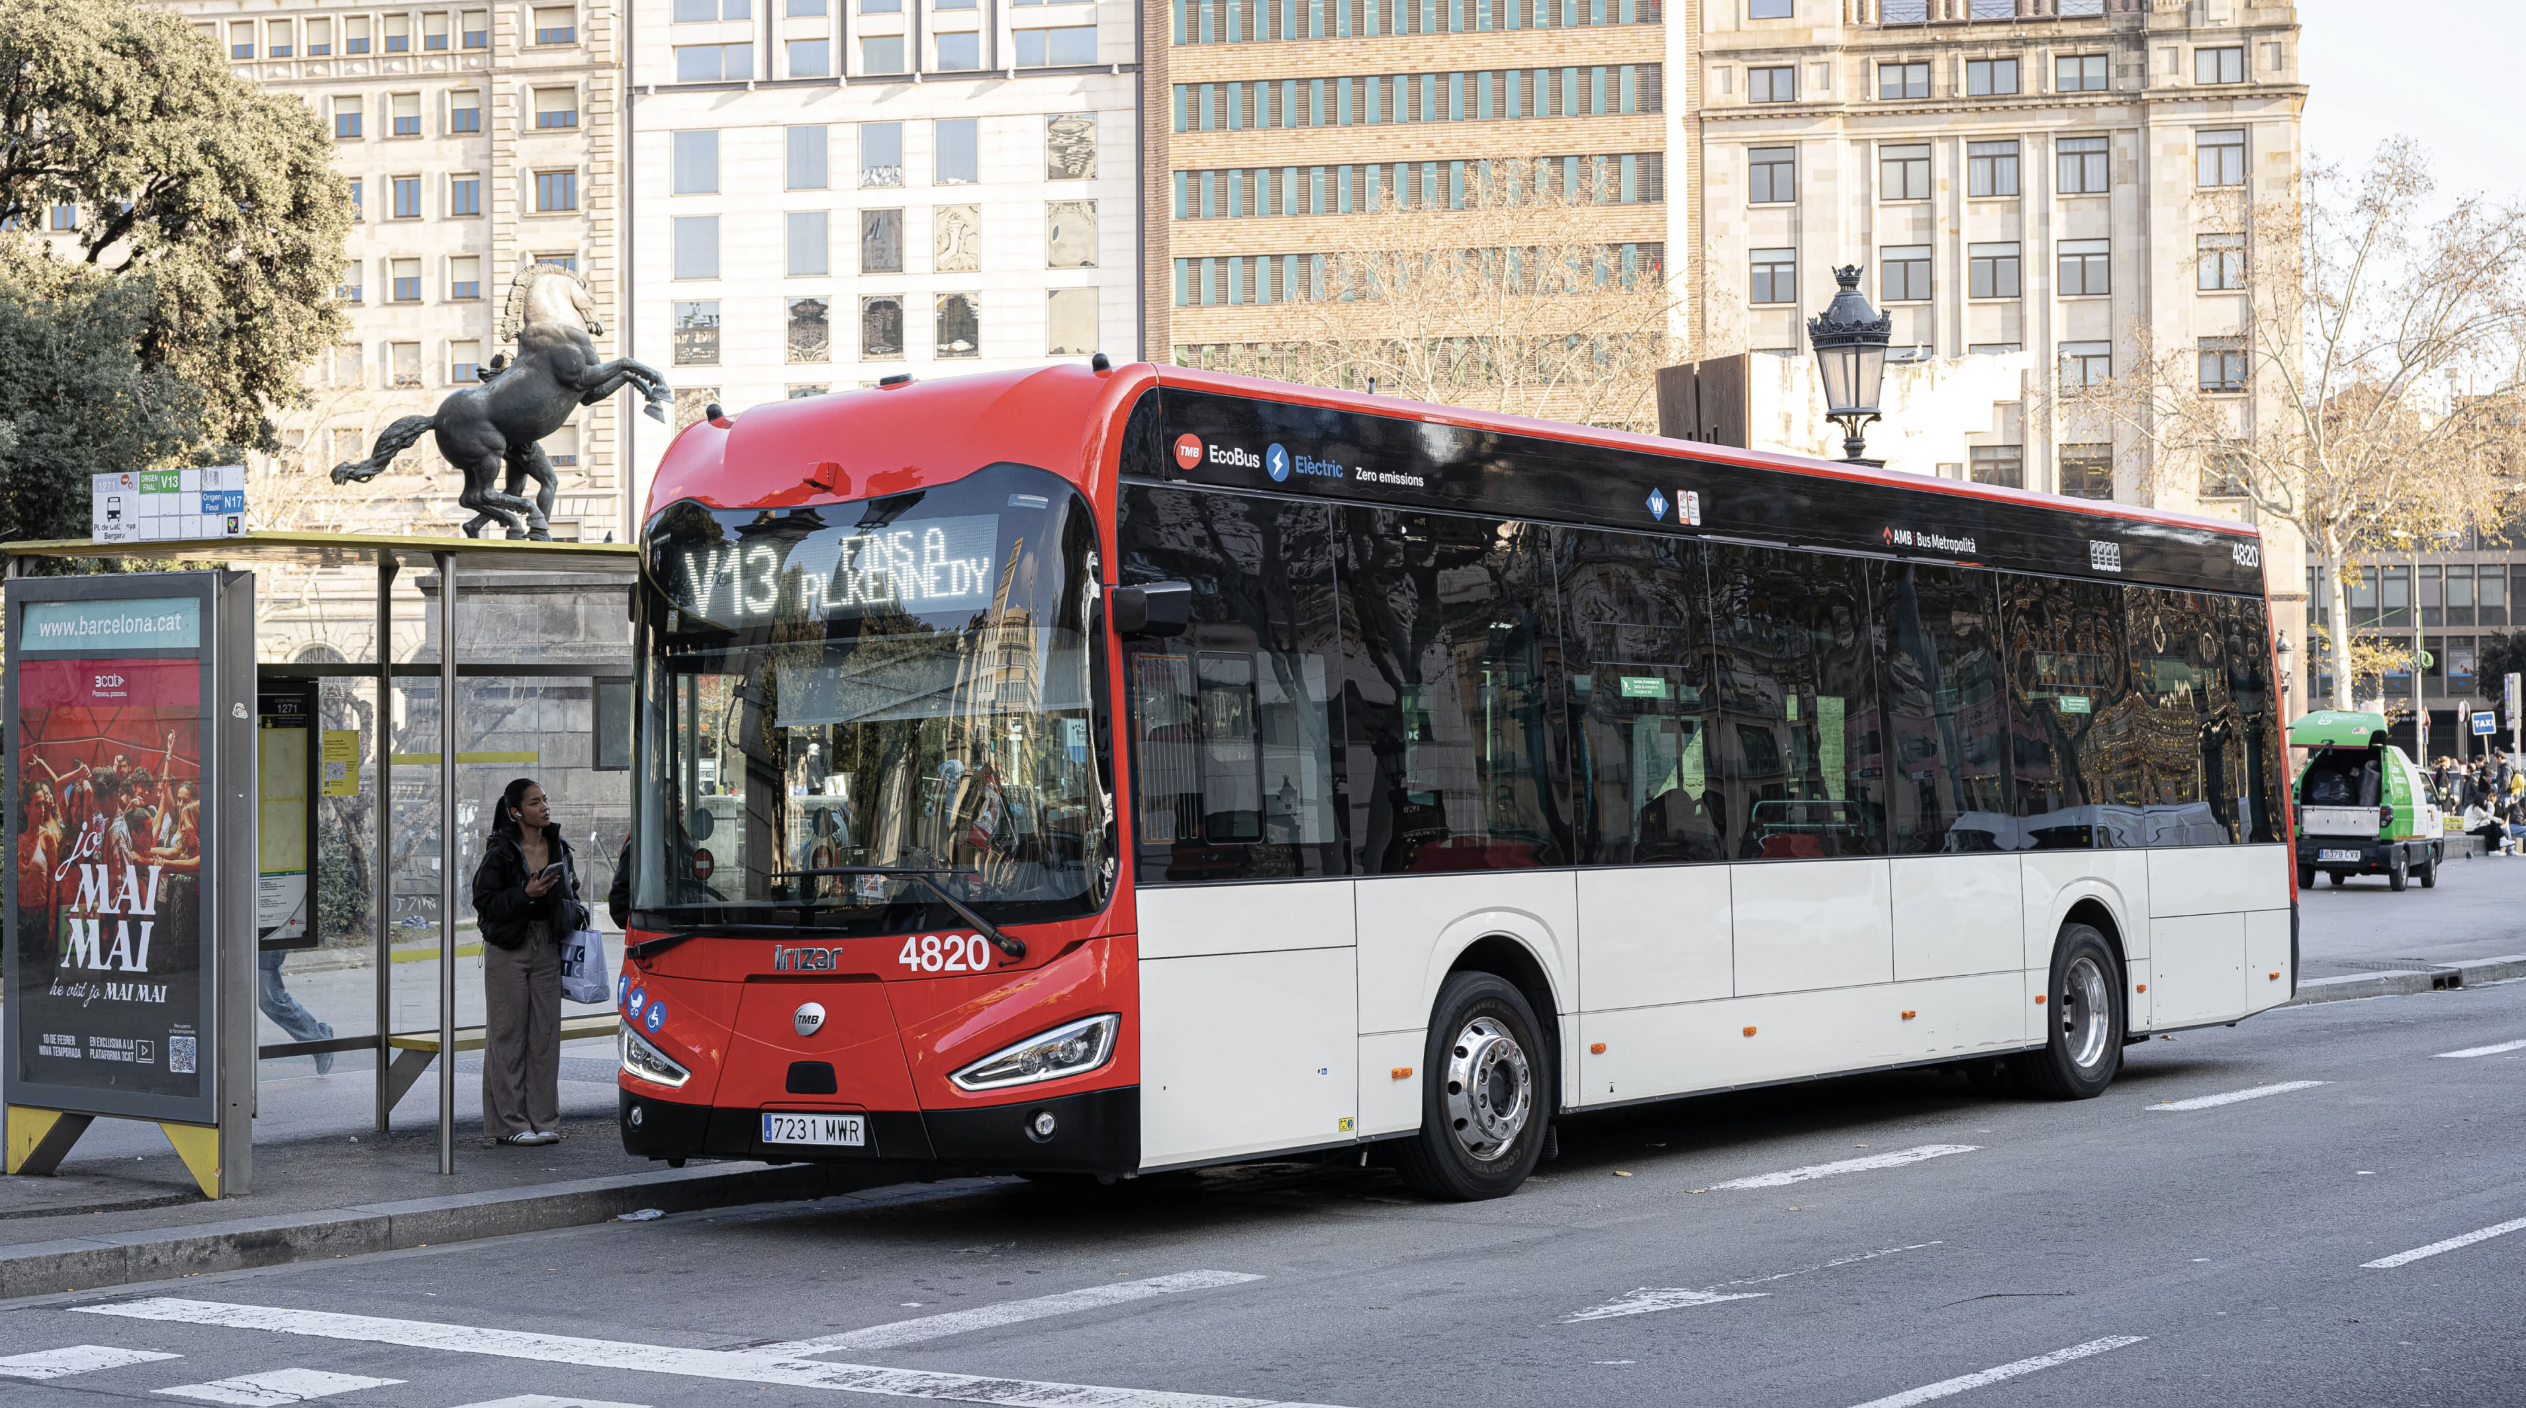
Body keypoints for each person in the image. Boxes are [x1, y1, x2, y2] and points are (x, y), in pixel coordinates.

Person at [470, 777, 585, 1147]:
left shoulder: (558, 845)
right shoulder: (501, 852)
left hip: (547, 944)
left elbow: (574, 891)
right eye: (535, 803)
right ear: (516, 812)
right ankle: (510, 1124)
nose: (544, 807)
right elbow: (484, 902)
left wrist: (570, 910)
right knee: (507, 1034)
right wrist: (524, 894)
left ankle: (543, 1119)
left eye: (545, 800)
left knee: (545, 1035)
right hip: (509, 947)